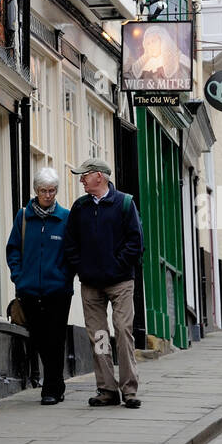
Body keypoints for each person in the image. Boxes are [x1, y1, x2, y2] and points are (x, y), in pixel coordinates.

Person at [63, 158, 144, 408]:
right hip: (91, 285)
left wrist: (115, 265)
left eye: (84, 175)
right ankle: (107, 389)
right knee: (98, 335)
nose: (81, 180)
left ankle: (129, 389)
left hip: (120, 282)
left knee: (122, 331)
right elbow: (70, 243)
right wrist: (82, 268)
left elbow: (136, 243)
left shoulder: (125, 203)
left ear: (99, 176)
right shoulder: (80, 207)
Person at [6, 169, 72, 405]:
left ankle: (52, 388)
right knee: (40, 338)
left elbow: (72, 253)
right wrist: (19, 277)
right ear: (36, 190)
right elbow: (13, 248)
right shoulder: (23, 217)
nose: (48, 195)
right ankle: (56, 383)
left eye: (52, 190)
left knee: (55, 339)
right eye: (43, 190)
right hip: (30, 290)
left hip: (59, 291)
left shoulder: (65, 217)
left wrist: (65, 277)